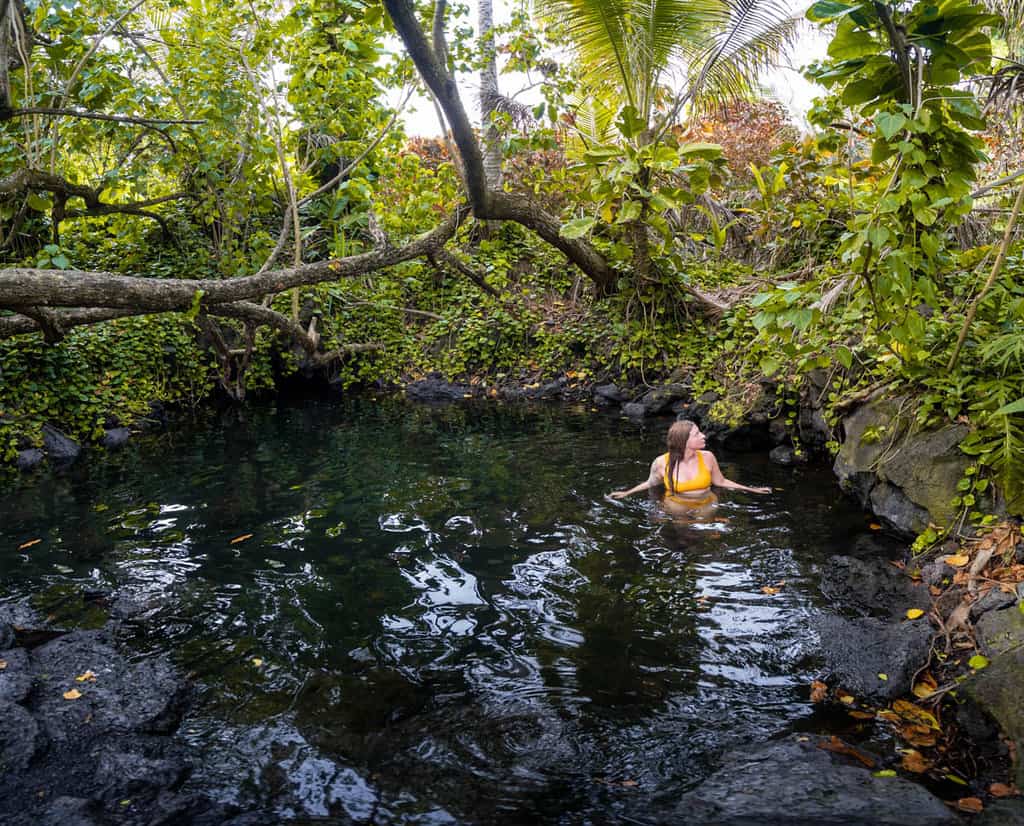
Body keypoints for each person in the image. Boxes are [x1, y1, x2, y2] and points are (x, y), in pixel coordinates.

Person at [609, 419, 772, 503]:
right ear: (683, 441)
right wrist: (626, 493)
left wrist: (753, 490)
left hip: (706, 504)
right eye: (697, 434)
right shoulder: (661, 463)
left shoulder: (708, 457)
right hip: (676, 506)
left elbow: (721, 481)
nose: (703, 436)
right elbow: (651, 483)